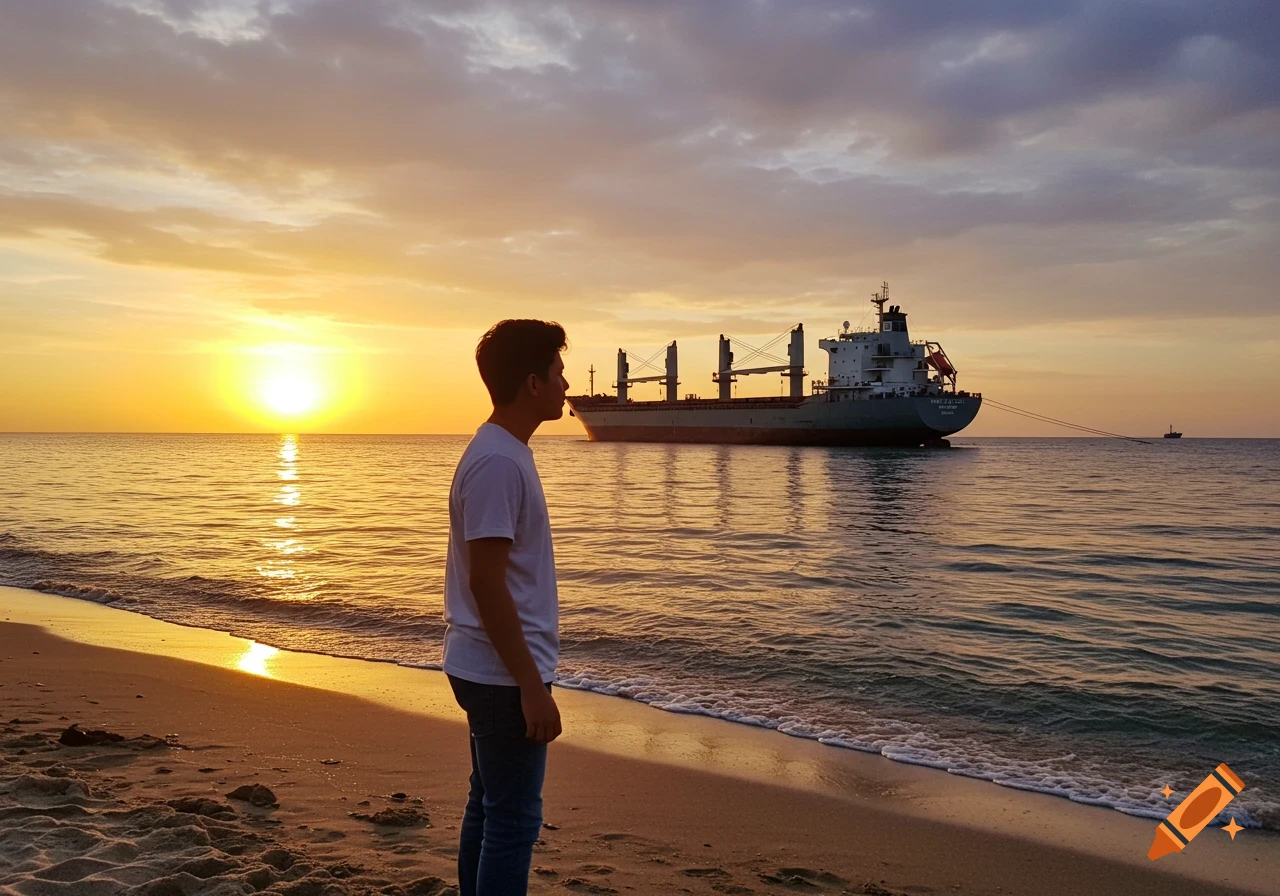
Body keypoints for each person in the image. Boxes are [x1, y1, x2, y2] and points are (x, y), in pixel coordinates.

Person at [443, 319, 569, 896]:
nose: (565, 384)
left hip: (489, 667)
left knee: (490, 805)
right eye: (558, 372)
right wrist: (531, 687)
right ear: (532, 383)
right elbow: (487, 584)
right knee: (513, 820)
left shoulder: (504, 452)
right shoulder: (498, 462)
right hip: (501, 675)